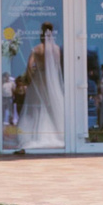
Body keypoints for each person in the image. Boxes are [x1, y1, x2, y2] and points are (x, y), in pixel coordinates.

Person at [16, 21, 66, 151]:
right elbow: (58, 67)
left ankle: (37, 135)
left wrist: (28, 78)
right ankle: (55, 133)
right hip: (52, 83)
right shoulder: (56, 50)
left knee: (37, 108)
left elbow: (29, 66)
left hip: (39, 80)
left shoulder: (37, 49)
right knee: (51, 106)